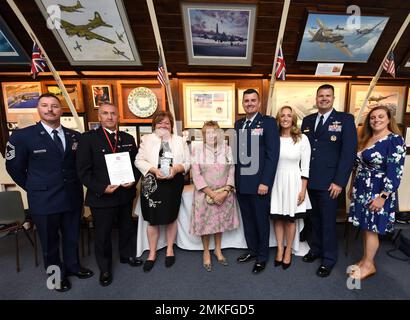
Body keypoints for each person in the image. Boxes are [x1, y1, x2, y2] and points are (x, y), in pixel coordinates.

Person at [5, 93, 93, 292]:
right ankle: (55, 276)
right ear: (38, 109)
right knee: (49, 241)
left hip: (71, 196)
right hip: (43, 199)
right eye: (45, 105)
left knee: (72, 236)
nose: (50, 109)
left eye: (54, 105)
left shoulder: (74, 136)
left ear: (61, 109)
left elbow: (80, 166)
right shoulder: (22, 136)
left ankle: (73, 267)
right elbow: (14, 167)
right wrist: (33, 186)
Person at [76, 102, 142, 287]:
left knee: (126, 228)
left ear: (118, 116)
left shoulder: (127, 138)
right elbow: (83, 171)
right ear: (99, 117)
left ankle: (126, 256)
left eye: (113, 113)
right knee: (103, 235)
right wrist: (101, 187)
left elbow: (136, 165)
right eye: (105, 113)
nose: (110, 117)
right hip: (102, 196)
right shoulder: (88, 139)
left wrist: (134, 180)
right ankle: (105, 268)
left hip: (124, 194)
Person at [301, 84, 357, 277]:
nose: (323, 99)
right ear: (316, 99)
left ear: (333, 98)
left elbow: (348, 153)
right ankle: (315, 249)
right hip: (310, 180)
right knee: (313, 219)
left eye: (327, 96)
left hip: (331, 183)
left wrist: (340, 182)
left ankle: (329, 258)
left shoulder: (345, 119)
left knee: (328, 222)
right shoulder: (307, 120)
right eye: (320, 96)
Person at [348, 106, 406, 280]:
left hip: (377, 191)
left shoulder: (394, 140)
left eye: (380, 116)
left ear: (389, 119)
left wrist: (383, 196)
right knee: (366, 227)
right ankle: (366, 260)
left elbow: (395, 171)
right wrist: (352, 186)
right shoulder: (367, 138)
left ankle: (368, 265)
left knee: (372, 228)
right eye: (372, 117)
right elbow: (357, 166)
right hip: (362, 188)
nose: (376, 120)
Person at [135, 111, 190, 272]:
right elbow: (138, 160)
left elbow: (188, 162)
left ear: (171, 125)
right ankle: (152, 253)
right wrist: (153, 169)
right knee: (152, 219)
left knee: (171, 217)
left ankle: (170, 250)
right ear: (154, 125)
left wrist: (177, 168)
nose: (163, 126)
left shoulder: (180, 141)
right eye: (160, 123)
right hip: (152, 183)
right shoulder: (146, 139)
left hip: (173, 183)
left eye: (167, 123)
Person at [234, 88, 280, 274]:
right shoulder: (238, 124)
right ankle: (252, 250)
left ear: (259, 103)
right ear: (243, 103)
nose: (250, 103)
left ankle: (262, 257)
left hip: (259, 183)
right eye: (246, 101)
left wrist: (265, 182)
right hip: (242, 183)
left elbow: (272, 155)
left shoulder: (267, 123)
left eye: (253, 100)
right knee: (248, 220)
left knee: (261, 221)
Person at [190, 121, 239, 271]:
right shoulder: (197, 151)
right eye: (207, 133)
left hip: (224, 193)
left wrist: (225, 192)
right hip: (205, 194)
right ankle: (206, 252)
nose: (211, 135)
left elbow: (231, 169)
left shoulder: (228, 149)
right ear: (204, 135)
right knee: (205, 224)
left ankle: (217, 250)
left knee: (219, 222)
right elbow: (196, 174)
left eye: (214, 132)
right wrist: (212, 194)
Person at [270, 106, 311, 270]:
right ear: (278, 118)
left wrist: (303, 190)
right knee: (278, 217)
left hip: (294, 182)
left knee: (290, 219)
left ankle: (288, 251)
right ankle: (279, 248)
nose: (285, 118)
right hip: (276, 181)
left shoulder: (302, 139)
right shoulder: (273, 138)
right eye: (282, 115)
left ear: (293, 119)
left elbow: (306, 167)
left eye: (289, 115)